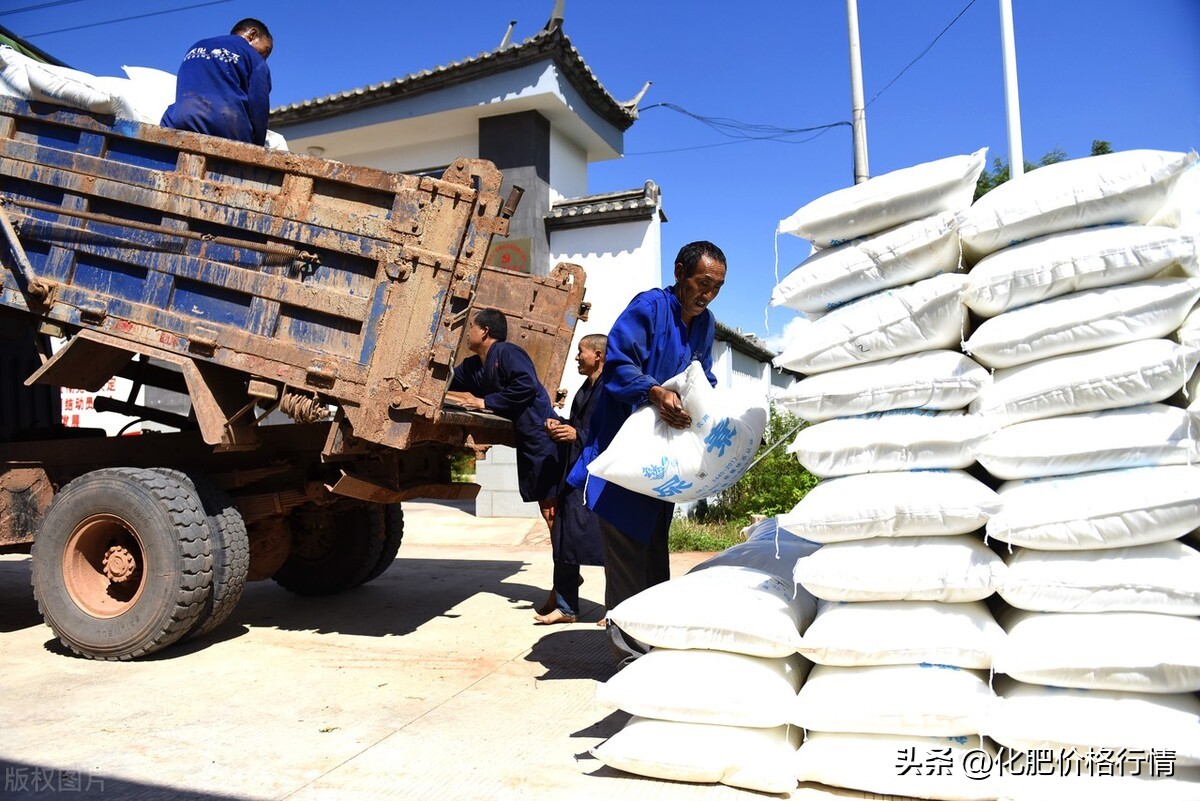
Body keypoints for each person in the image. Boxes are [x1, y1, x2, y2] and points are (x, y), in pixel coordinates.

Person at [566, 241, 727, 660]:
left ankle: (654, 646)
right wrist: (654, 393)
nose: (708, 294)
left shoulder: (705, 323)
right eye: (703, 283)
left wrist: (723, 419)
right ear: (680, 273)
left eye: (717, 287)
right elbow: (619, 368)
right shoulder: (649, 308)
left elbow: (701, 378)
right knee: (626, 558)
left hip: (662, 462)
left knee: (654, 553)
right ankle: (628, 656)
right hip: (624, 457)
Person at [446, 308, 561, 532]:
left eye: (472, 327)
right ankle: (561, 552)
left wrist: (485, 402)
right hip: (526, 440)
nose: (468, 332)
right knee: (546, 507)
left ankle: (565, 553)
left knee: (552, 508)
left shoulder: (507, 352)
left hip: (543, 435)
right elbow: (447, 379)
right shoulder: (475, 365)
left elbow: (526, 385)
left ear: (485, 331)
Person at [535, 334, 608, 625]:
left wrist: (578, 435)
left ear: (598, 355)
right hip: (575, 473)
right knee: (563, 537)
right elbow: (579, 427)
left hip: (600, 476)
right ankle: (566, 608)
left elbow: (613, 432)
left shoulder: (610, 389)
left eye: (581, 351)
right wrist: (561, 425)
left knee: (609, 543)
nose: (577, 357)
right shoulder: (584, 389)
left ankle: (615, 610)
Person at [160, 18, 274, 146]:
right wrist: (257, 147)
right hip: (225, 126)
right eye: (266, 51)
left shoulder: (197, 45)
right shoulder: (253, 57)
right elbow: (259, 106)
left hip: (177, 121)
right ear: (252, 34)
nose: (264, 58)